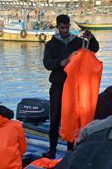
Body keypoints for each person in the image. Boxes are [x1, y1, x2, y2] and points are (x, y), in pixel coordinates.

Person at [42, 14, 99, 157]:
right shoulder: (51, 44)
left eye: (67, 27)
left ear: (69, 26)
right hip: (58, 85)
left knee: (72, 117)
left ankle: (70, 149)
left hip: (74, 86)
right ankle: (52, 150)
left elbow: (94, 49)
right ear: (57, 27)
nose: (65, 30)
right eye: (62, 28)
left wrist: (91, 38)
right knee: (55, 117)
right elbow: (47, 63)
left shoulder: (78, 41)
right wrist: (61, 62)